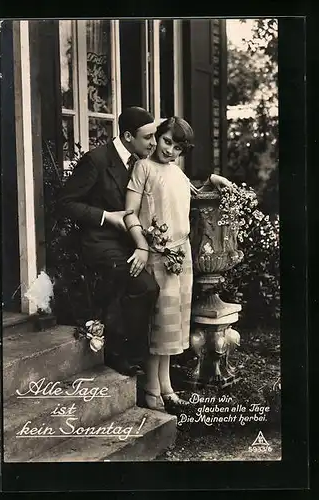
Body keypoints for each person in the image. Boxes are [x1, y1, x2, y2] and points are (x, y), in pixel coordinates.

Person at [124, 116, 232, 411]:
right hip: (157, 253)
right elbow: (129, 213)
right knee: (158, 322)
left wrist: (212, 179)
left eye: (178, 147)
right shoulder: (143, 167)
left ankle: (167, 387)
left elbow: (190, 191)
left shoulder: (177, 171)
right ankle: (151, 388)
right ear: (157, 137)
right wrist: (142, 244)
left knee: (173, 323)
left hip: (180, 253)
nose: (170, 150)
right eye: (166, 141)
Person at [58, 107, 160, 376]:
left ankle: (143, 358)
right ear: (128, 136)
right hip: (101, 241)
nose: (154, 143)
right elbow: (65, 203)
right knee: (143, 286)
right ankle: (118, 352)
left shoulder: (143, 162)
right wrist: (106, 216)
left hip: (132, 241)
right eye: (148, 137)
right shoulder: (97, 160)